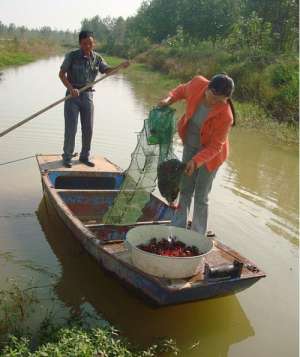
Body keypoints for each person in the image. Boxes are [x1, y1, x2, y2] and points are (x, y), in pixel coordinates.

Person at [158, 74, 236, 235]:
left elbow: (216, 147)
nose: (214, 102)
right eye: (213, 96)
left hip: (211, 156)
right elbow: (180, 91)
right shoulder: (197, 84)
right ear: (208, 88)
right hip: (190, 144)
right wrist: (168, 100)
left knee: (201, 194)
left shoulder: (226, 116)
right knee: (185, 188)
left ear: (226, 98)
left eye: (220, 100)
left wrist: (195, 162)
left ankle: (198, 233)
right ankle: (178, 225)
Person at [59, 30, 129, 168]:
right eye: (85, 44)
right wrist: (71, 88)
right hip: (72, 96)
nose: (88, 46)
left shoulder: (97, 58)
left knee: (88, 128)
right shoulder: (72, 56)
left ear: (93, 43)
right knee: (71, 128)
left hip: (88, 96)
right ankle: (67, 157)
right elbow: (61, 74)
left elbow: (108, 71)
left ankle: (84, 156)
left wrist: (120, 66)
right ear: (80, 44)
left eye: (90, 43)